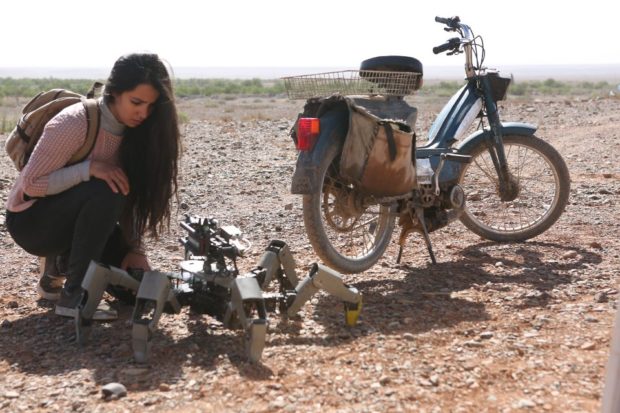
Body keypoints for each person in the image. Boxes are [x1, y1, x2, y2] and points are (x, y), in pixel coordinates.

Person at [5, 53, 180, 318]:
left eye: (151, 106)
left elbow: (129, 197)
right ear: (114, 93)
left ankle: (59, 266)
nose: (143, 113)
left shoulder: (138, 134)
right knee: (105, 187)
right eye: (136, 102)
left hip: (80, 219)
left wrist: (134, 249)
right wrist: (89, 169)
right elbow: (33, 184)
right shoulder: (75, 122)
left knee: (134, 291)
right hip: (31, 223)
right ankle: (74, 298)